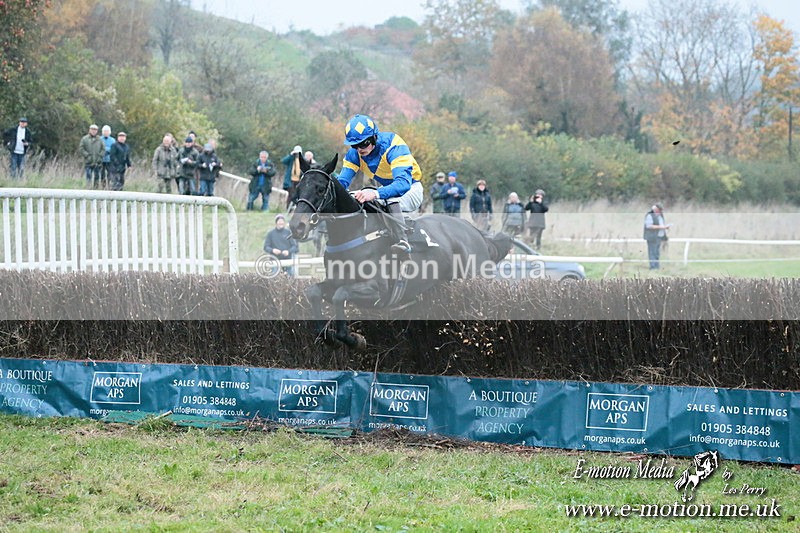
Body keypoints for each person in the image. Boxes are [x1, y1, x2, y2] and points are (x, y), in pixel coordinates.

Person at [337, 114, 425, 253]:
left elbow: (402, 184)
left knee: (387, 197)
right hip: (387, 190)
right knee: (357, 196)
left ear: (374, 137)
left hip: (411, 189)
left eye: (364, 143)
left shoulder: (394, 145)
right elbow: (342, 182)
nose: (360, 149)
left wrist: (375, 193)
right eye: (355, 145)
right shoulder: (354, 154)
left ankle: (404, 242)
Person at [643, 204, 671, 270]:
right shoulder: (650, 215)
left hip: (659, 237)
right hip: (652, 237)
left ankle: (657, 266)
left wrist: (665, 227)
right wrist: (662, 227)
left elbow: (661, 224)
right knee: (652, 252)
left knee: (657, 253)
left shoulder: (660, 216)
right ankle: (653, 267)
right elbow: (649, 226)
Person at [79, 124, 105, 189]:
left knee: (97, 176)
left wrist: (100, 157)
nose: (94, 131)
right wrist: (87, 156)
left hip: (97, 162)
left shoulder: (100, 139)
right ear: (89, 130)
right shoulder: (84, 139)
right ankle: (88, 188)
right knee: (88, 176)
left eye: (95, 130)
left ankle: (96, 190)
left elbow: (103, 149)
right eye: (92, 129)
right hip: (88, 161)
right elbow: (81, 148)